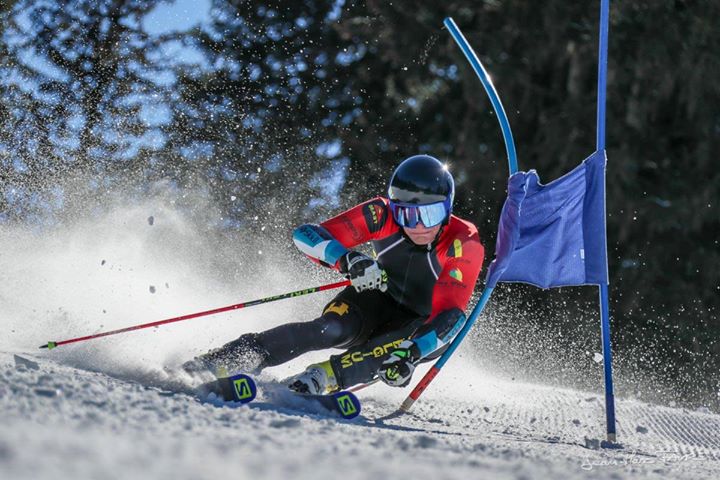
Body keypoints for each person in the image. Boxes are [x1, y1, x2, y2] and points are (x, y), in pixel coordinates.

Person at [183, 154, 484, 394]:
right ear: (394, 208)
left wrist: (414, 352)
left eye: (429, 215)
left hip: (424, 327)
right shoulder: (381, 214)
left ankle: (320, 379)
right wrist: (349, 260)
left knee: (388, 346)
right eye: (406, 214)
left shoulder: (463, 242)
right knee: (330, 329)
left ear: (447, 209)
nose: (418, 226)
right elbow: (306, 234)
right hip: (379, 299)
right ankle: (232, 357)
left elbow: (452, 316)